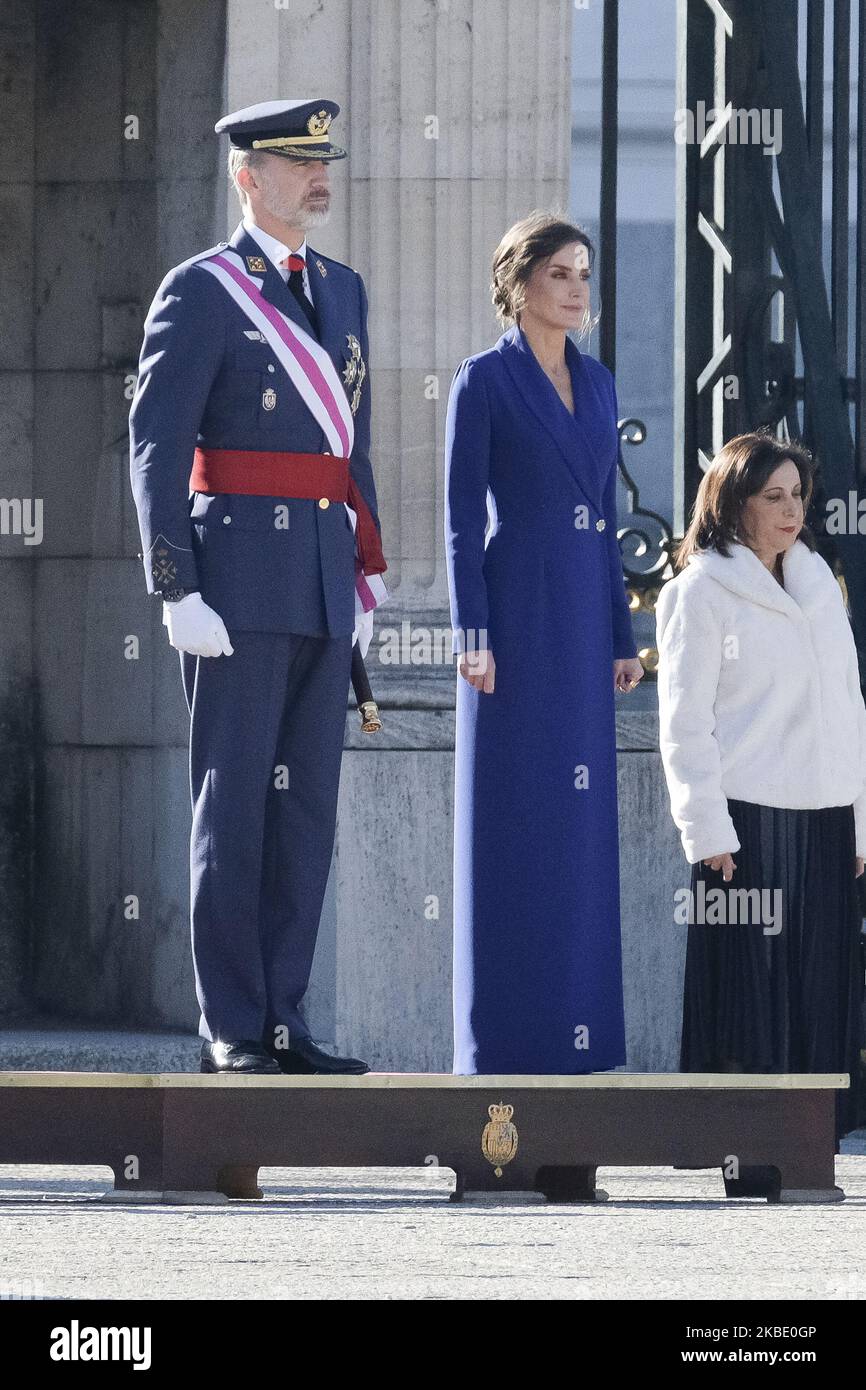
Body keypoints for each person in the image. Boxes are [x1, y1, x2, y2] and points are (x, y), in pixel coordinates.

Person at [128, 99, 386, 1075]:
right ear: (248, 176)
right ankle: (233, 1024)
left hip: (321, 586)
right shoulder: (202, 292)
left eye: (323, 162)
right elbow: (157, 448)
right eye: (295, 163)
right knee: (231, 810)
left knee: (303, 817)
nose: (318, 178)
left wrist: (362, 576)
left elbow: (346, 447)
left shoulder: (344, 288)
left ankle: (287, 1021)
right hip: (232, 590)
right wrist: (172, 584)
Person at [444, 210, 644, 1075]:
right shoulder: (482, 381)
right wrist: (471, 632)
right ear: (520, 284)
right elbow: (458, 519)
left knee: (579, 832)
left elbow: (606, 523)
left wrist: (621, 633)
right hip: (515, 624)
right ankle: (503, 1050)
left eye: (584, 275)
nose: (577, 289)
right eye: (560, 274)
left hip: (580, 631)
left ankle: (583, 1044)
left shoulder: (598, 385)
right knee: (514, 825)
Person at [656, 431, 866, 1146]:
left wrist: (861, 826)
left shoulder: (819, 590)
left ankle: (809, 1148)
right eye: (773, 497)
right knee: (750, 991)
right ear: (734, 503)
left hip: (827, 819)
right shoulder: (698, 592)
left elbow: (849, 708)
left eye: (799, 496)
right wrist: (706, 829)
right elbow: (684, 723)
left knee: (818, 987)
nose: (791, 511)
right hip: (746, 822)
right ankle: (742, 1148)